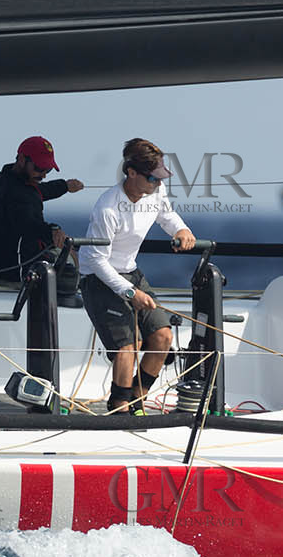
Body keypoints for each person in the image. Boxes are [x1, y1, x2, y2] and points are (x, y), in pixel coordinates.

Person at [78, 138, 195, 414]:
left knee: (163, 337)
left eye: (160, 177)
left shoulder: (155, 191)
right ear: (131, 173)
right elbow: (97, 260)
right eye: (152, 178)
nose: (157, 183)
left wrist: (181, 230)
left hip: (131, 271)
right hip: (99, 277)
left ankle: (136, 399)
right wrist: (130, 293)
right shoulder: (107, 208)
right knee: (127, 347)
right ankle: (118, 405)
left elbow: (167, 216)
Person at [0, 135, 84, 284]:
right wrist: (53, 231)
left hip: (8, 263)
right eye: (39, 168)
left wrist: (65, 186)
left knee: (67, 252)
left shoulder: (6, 180)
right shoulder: (14, 190)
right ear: (21, 159)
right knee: (69, 256)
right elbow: (27, 224)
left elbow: (38, 192)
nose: (43, 174)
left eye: (48, 169)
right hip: (18, 269)